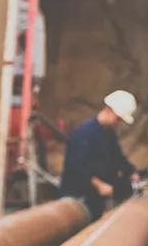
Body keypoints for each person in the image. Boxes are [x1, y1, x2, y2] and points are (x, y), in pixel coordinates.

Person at [58, 90, 139, 219]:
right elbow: (77, 167)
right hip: (77, 196)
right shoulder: (84, 134)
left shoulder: (108, 134)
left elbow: (117, 157)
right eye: (118, 119)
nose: (118, 123)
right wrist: (99, 185)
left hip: (94, 198)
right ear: (109, 111)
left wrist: (131, 172)